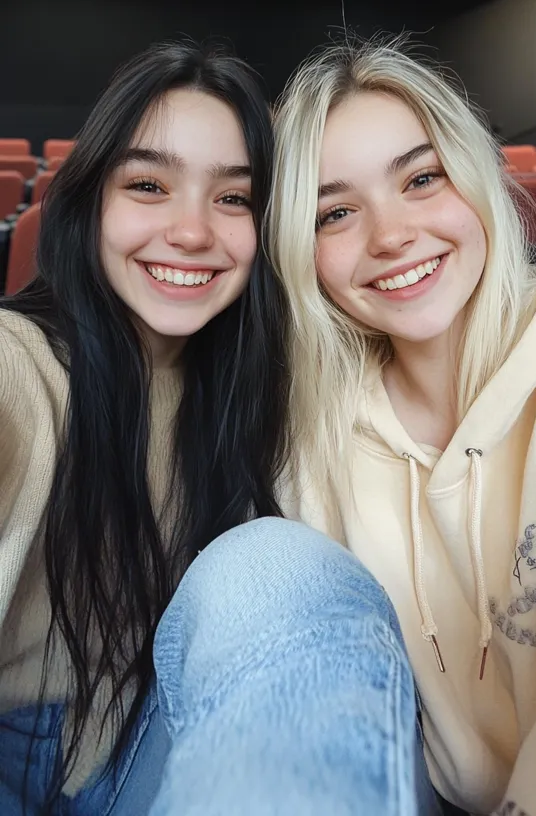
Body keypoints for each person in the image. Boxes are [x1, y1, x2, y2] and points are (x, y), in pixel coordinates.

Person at [268, 35, 536, 816]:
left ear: (474, 179)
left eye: (421, 179)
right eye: (335, 211)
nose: (391, 236)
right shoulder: (311, 442)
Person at [0, 40, 290, 814]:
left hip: (140, 732)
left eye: (234, 199)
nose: (192, 232)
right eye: (149, 185)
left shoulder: (248, 385)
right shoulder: (21, 366)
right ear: (91, 199)